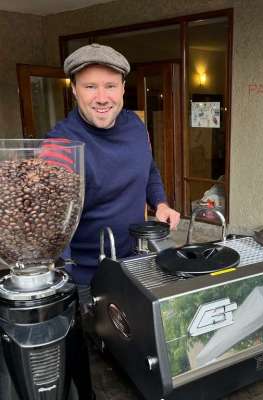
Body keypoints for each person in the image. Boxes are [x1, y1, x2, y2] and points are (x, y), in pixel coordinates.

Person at [46, 43, 180, 285]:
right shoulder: (60, 145)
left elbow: (148, 170)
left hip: (134, 262)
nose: (101, 98)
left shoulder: (136, 126)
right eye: (90, 87)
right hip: (84, 277)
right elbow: (53, 219)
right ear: (74, 90)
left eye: (110, 86)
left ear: (122, 88)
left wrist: (160, 204)